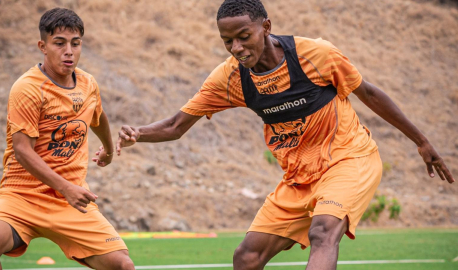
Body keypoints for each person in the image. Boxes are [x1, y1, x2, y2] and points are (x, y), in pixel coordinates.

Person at [116, 0, 455, 269]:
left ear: (266, 27)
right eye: (227, 41)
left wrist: (422, 141)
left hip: (349, 159)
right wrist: (138, 133)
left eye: (243, 36)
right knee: (246, 257)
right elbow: (176, 125)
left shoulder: (315, 54)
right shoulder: (230, 79)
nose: (235, 48)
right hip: (298, 178)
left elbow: (369, 94)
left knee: (323, 231)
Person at [0, 8, 135, 270]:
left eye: (75, 43)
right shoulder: (27, 88)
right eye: (59, 43)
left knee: (123, 265)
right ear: (43, 46)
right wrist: (66, 188)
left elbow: (98, 116)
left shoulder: (88, 84)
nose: (69, 51)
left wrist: (108, 149)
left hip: (69, 201)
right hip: (22, 195)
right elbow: (22, 151)